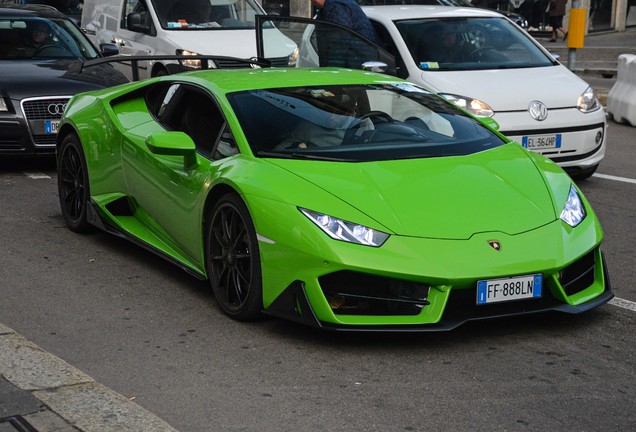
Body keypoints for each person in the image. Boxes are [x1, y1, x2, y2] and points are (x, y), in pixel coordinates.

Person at [310, 0, 381, 68]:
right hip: (355, 67)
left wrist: (331, 74)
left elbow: (339, 49)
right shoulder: (329, 8)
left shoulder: (337, 7)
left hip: (357, 70)